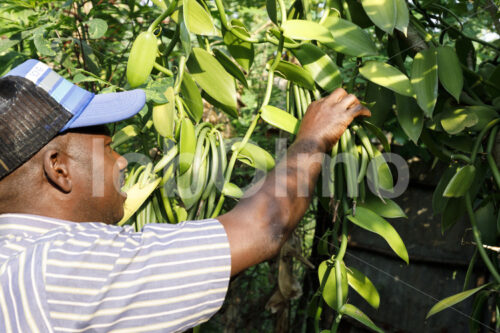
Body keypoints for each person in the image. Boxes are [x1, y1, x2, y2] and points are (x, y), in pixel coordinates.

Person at [0, 59, 370, 332]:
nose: (123, 162)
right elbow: (264, 227)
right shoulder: (60, 269)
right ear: (58, 167)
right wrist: (313, 137)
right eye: (109, 148)